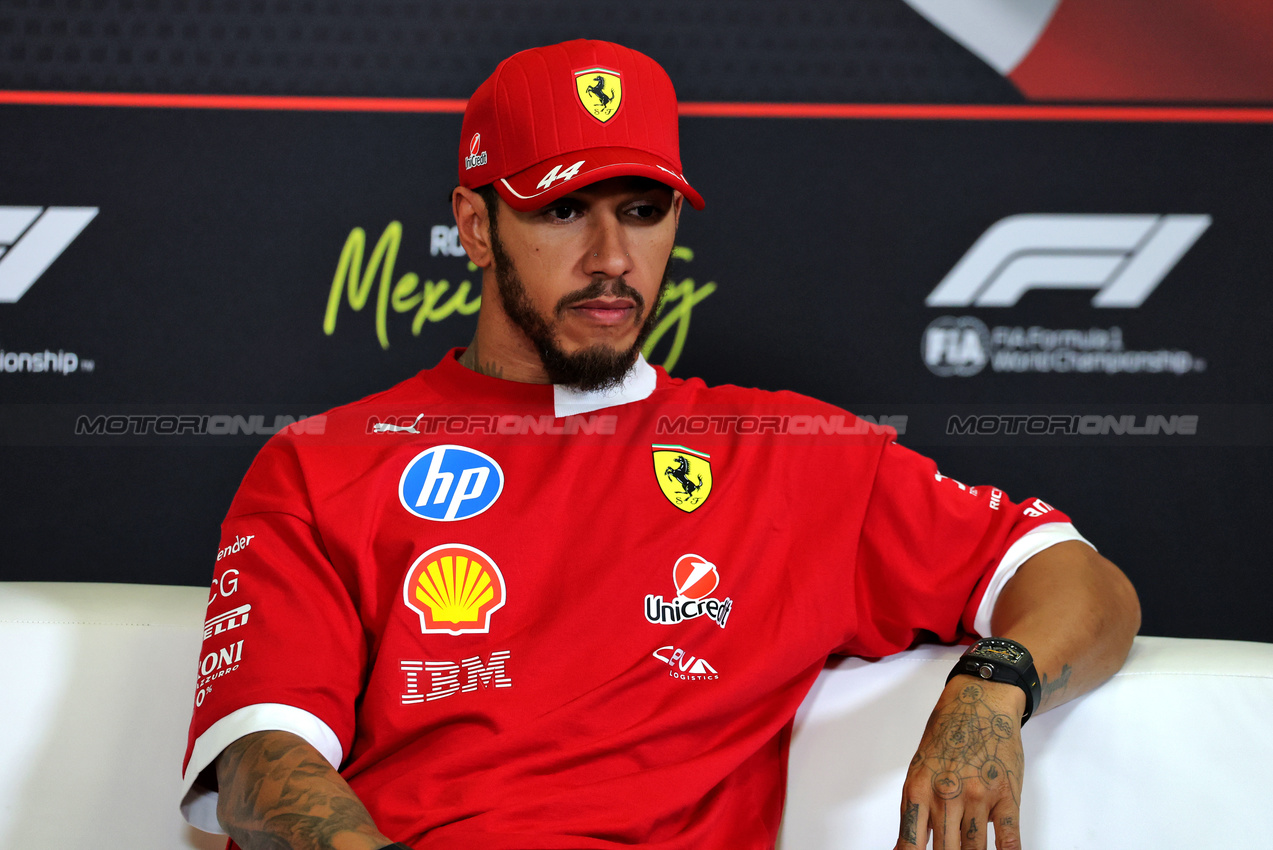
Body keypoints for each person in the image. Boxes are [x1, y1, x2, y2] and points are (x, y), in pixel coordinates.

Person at [181, 39, 1140, 850]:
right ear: (476, 227)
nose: (611, 257)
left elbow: (1079, 582)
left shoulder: (789, 454)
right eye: (564, 209)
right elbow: (262, 767)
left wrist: (990, 687)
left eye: (643, 210)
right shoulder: (324, 463)